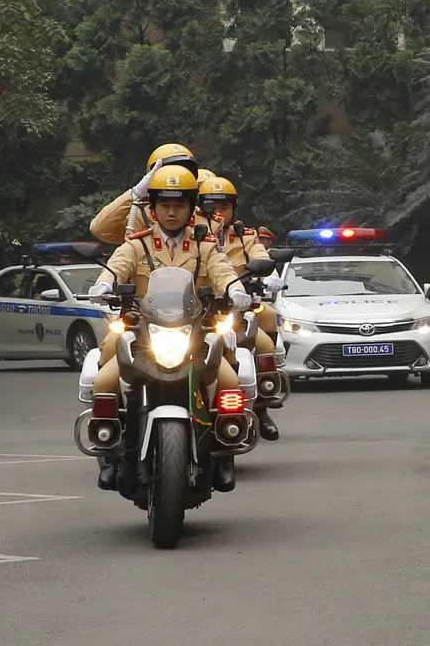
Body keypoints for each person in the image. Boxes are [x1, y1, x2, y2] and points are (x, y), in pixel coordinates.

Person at [87, 165, 252, 492]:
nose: (172, 212)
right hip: (142, 332)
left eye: (179, 205)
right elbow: (116, 269)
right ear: (154, 208)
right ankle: (111, 455)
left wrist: (236, 290)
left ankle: (223, 454)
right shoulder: (138, 245)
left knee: (230, 381)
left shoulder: (205, 245)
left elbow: (223, 271)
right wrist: (103, 286)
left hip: (198, 332)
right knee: (104, 379)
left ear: (191, 208)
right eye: (164, 205)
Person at [197, 176, 287, 441]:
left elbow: (260, 255)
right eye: (211, 207)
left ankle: (261, 406)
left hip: (236, 309)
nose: (218, 212)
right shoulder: (193, 235)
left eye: (224, 206)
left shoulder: (243, 234)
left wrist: (266, 273)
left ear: (233, 208)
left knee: (266, 334)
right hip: (198, 311)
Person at [91, 144, 200, 245]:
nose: (174, 180)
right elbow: (100, 230)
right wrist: (135, 193)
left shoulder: (202, 217)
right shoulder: (139, 216)